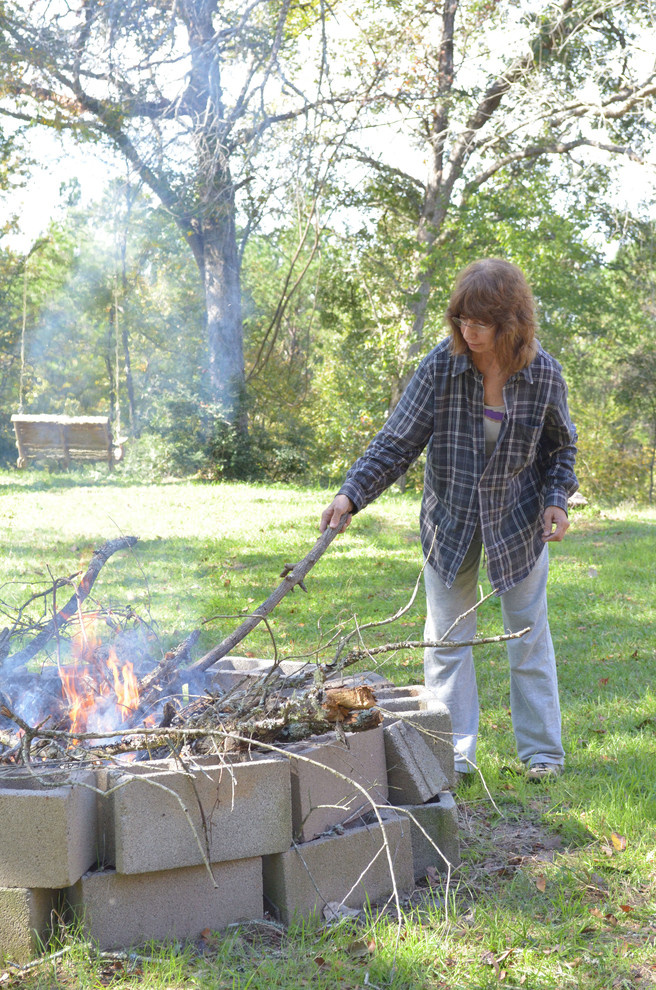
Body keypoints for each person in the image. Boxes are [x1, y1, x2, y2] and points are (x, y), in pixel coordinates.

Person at [320, 258, 578, 782]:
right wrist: (350, 495)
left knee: (528, 638)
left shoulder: (544, 373)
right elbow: (396, 443)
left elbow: (561, 449)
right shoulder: (441, 366)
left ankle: (542, 755)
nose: (468, 331)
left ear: (511, 323)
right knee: (446, 642)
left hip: (519, 522)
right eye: (462, 320)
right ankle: (454, 756)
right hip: (451, 521)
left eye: (481, 322)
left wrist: (557, 499)